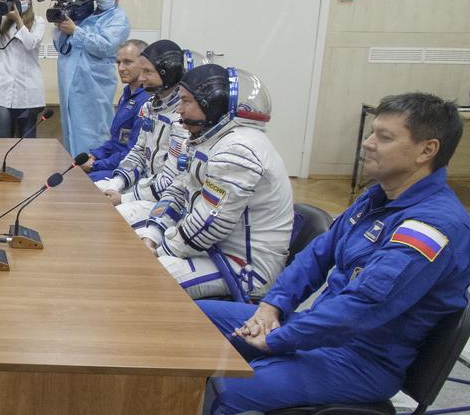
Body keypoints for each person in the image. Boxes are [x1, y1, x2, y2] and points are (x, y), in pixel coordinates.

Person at [199, 93, 470, 414]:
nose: (368, 143)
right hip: (322, 331)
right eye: (372, 133)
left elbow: (364, 307)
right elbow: (317, 256)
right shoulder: (378, 197)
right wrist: (272, 307)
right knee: (194, 319)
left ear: (427, 150)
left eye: (384, 137)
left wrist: (280, 338)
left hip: (362, 359)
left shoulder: (433, 225)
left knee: (223, 391)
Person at [135, 65, 293, 300]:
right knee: (130, 249)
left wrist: (161, 249)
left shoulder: (239, 149)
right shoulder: (212, 139)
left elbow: (210, 223)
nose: (178, 110)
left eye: (186, 101)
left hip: (242, 267)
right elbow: (178, 191)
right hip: (210, 250)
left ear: (213, 104)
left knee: (141, 278)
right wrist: (153, 232)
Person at [94, 40, 196, 221]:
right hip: (145, 187)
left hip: (166, 199)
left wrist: (125, 197)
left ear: (168, 74)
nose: (141, 78)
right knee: (90, 193)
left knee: (107, 218)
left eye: (147, 72)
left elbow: (171, 180)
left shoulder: (181, 118)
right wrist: (116, 184)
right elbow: (138, 153)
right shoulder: (150, 106)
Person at [53, 0, 130, 156]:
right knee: (71, 126)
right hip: (70, 80)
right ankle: (73, 167)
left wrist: (76, 31)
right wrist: (61, 29)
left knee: (94, 128)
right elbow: (61, 46)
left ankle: (95, 171)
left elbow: (106, 46)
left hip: (94, 83)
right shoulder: (84, 13)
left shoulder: (119, 19)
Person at [0, 0, 45, 138]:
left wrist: (19, 20)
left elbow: (30, 43)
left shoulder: (38, 22)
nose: (18, 2)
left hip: (27, 93)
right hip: (2, 91)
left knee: (27, 144)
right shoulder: (5, 22)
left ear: (30, 1)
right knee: (1, 143)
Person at [84, 39, 150, 181]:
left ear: (144, 63)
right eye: (118, 62)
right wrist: (95, 155)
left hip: (131, 170)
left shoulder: (146, 101)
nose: (120, 68)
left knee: (85, 182)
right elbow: (116, 141)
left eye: (127, 62)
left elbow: (132, 152)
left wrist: (95, 165)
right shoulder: (127, 94)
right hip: (116, 162)